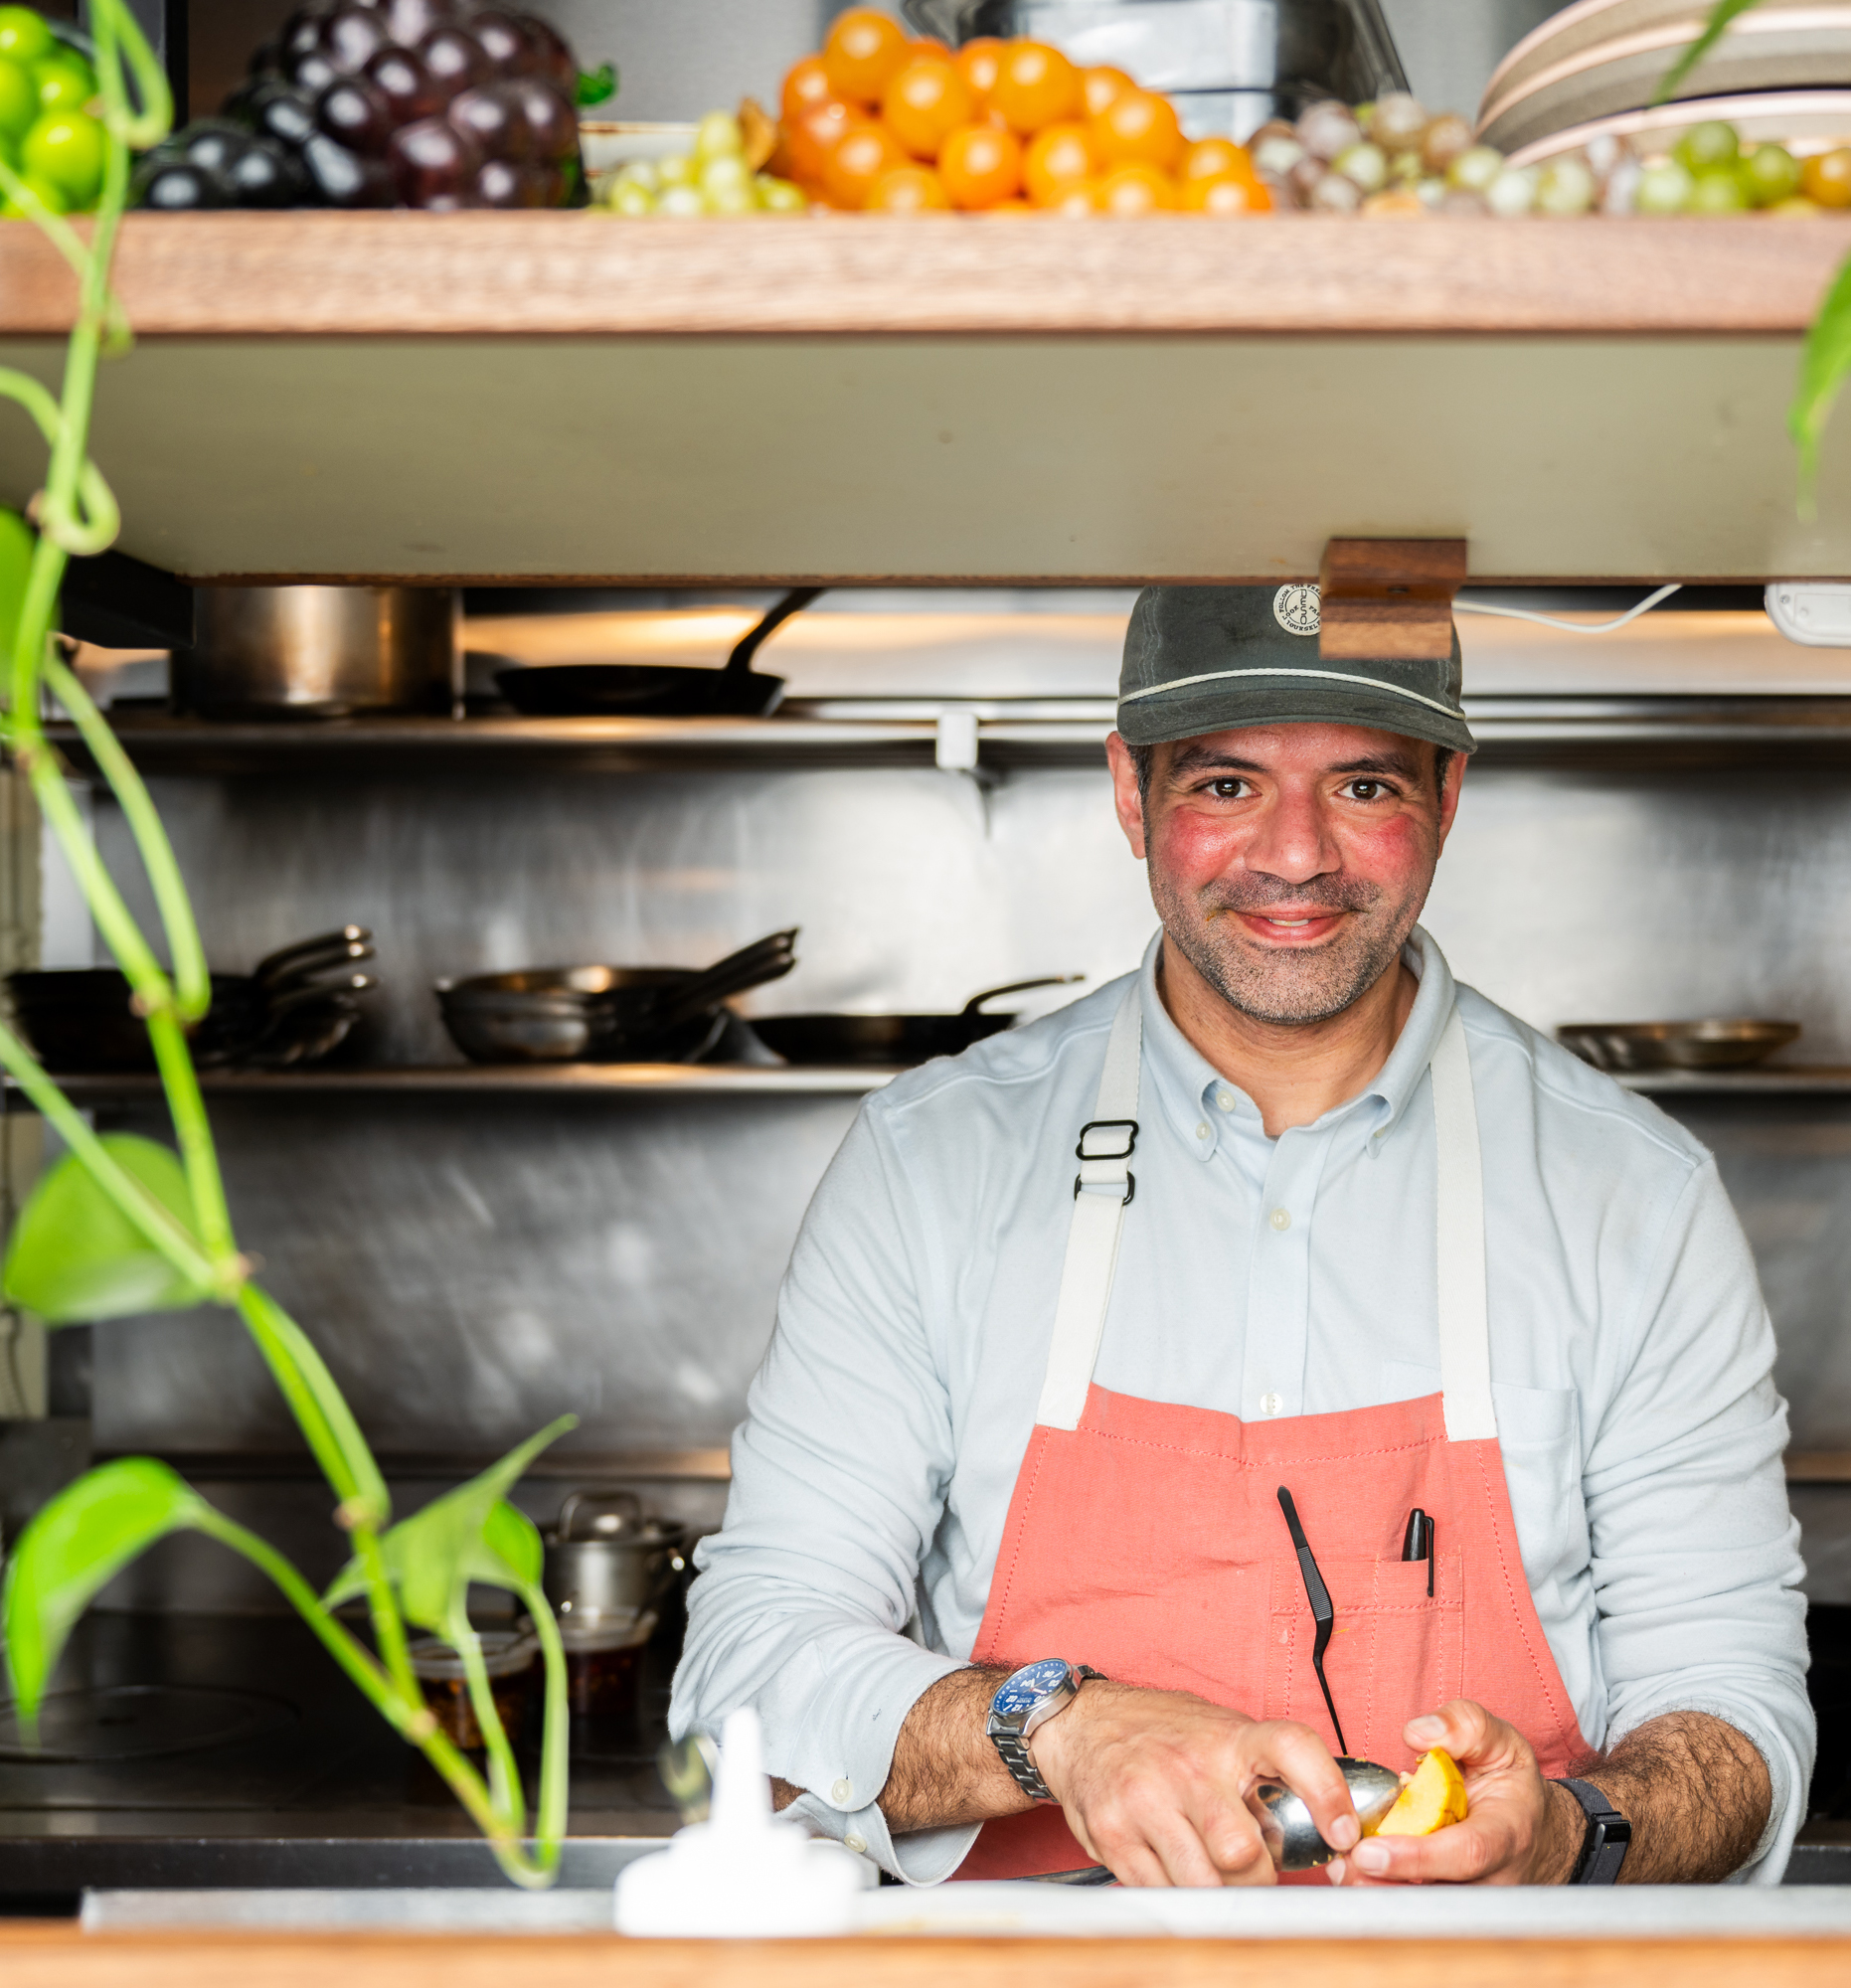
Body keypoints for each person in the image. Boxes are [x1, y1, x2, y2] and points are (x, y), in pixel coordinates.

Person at [670, 583, 1812, 1889]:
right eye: (1222, 785)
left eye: (1365, 788)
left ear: (1445, 797)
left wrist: (1574, 1833)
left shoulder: (1632, 1194)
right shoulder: (934, 1161)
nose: (1293, 855)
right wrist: (1058, 1727)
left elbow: (1734, 1719)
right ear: (1127, 791)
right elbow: (746, 1676)